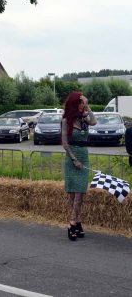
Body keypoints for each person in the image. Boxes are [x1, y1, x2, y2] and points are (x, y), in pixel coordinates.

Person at [61, 92, 97, 241]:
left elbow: (94, 122)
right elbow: (64, 143)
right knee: (73, 193)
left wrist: (88, 105)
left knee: (80, 192)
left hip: (84, 156)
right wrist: (74, 160)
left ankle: (73, 222)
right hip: (72, 158)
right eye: (81, 102)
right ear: (75, 104)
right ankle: (75, 223)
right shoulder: (66, 120)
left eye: (84, 103)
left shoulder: (84, 119)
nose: (83, 105)